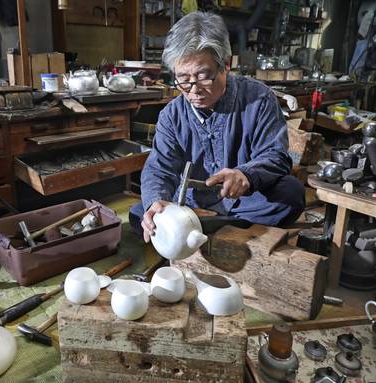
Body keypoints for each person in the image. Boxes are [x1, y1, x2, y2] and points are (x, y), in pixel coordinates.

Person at [129, 11, 305, 242]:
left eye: (203, 76)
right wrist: (156, 202)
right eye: (182, 78)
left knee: (290, 194)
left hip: (245, 202)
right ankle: (215, 227)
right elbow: (159, 169)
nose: (193, 89)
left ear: (226, 66)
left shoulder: (259, 99)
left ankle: (202, 227)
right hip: (192, 203)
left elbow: (276, 157)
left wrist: (246, 174)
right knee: (141, 213)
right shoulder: (171, 115)